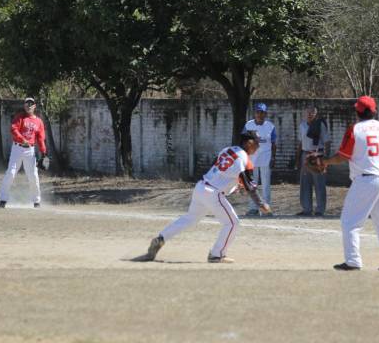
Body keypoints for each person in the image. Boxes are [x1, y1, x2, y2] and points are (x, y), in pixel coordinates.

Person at [138, 132, 271, 263]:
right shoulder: (244, 159)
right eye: (257, 143)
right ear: (249, 143)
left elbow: (217, 167)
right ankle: (216, 255)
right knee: (232, 223)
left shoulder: (227, 150)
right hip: (213, 193)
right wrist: (261, 204)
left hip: (201, 187)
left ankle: (161, 239)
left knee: (189, 218)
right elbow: (250, 187)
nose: (258, 146)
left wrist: (232, 184)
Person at [319, 96, 379, 271]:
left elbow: (342, 157)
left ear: (357, 111)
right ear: (374, 111)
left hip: (367, 180)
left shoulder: (355, 129)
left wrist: (325, 162)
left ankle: (352, 261)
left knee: (350, 222)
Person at [0, 97, 49, 209]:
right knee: (11, 173)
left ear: (34, 106)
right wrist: (22, 139)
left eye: (31, 104)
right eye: (27, 104)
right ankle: (3, 200)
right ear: (24, 106)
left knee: (33, 176)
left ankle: (36, 202)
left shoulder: (38, 121)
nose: (29, 106)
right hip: (17, 148)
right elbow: (13, 129)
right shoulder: (20, 117)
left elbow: (40, 138)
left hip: (30, 151)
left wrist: (44, 153)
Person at [243, 103, 277, 216]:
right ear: (255, 113)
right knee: (252, 184)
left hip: (266, 158)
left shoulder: (270, 126)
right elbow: (243, 141)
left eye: (262, 112)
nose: (259, 114)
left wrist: (273, 157)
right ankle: (253, 208)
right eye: (258, 112)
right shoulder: (248, 125)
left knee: (266, 184)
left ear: (265, 113)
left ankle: (266, 208)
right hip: (252, 159)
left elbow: (273, 143)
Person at [296, 106, 331, 216]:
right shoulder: (302, 125)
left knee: (319, 183)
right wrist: (298, 157)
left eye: (312, 113)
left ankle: (320, 210)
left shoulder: (320, 124)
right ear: (305, 114)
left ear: (316, 114)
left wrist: (326, 158)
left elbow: (327, 142)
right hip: (305, 155)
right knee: (305, 183)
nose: (310, 114)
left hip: (318, 155)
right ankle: (307, 209)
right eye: (308, 112)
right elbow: (301, 143)